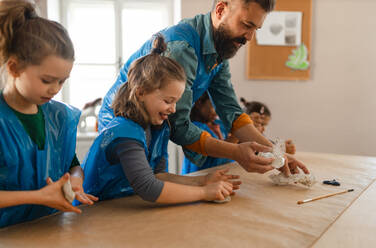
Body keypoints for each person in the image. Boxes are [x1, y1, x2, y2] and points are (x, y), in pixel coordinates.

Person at [98, 0, 308, 176]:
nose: (249, 37)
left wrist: (274, 153)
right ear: (220, 10)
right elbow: (178, 125)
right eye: (246, 25)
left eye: (255, 29)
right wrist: (236, 152)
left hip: (155, 131)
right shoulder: (181, 48)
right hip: (123, 129)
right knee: (124, 201)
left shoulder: (219, 49)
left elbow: (231, 111)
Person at [82, 35, 241, 204]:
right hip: (96, 212)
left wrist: (202, 180)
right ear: (140, 93)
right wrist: (203, 192)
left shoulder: (159, 128)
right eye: (167, 101)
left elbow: (158, 176)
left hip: (123, 208)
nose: (173, 109)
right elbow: (148, 187)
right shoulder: (124, 132)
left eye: (176, 102)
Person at [0, 0, 97, 228]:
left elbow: (72, 163)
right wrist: (38, 196)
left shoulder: (59, 117)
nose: (55, 89)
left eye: (62, 81)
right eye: (46, 80)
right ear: (14, 68)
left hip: (49, 230)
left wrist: (75, 180)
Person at [182, 92, 236, 174]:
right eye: (214, 106)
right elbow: (217, 159)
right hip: (198, 179)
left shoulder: (219, 124)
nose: (218, 112)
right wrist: (237, 135)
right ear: (199, 103)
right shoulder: (193, 129)